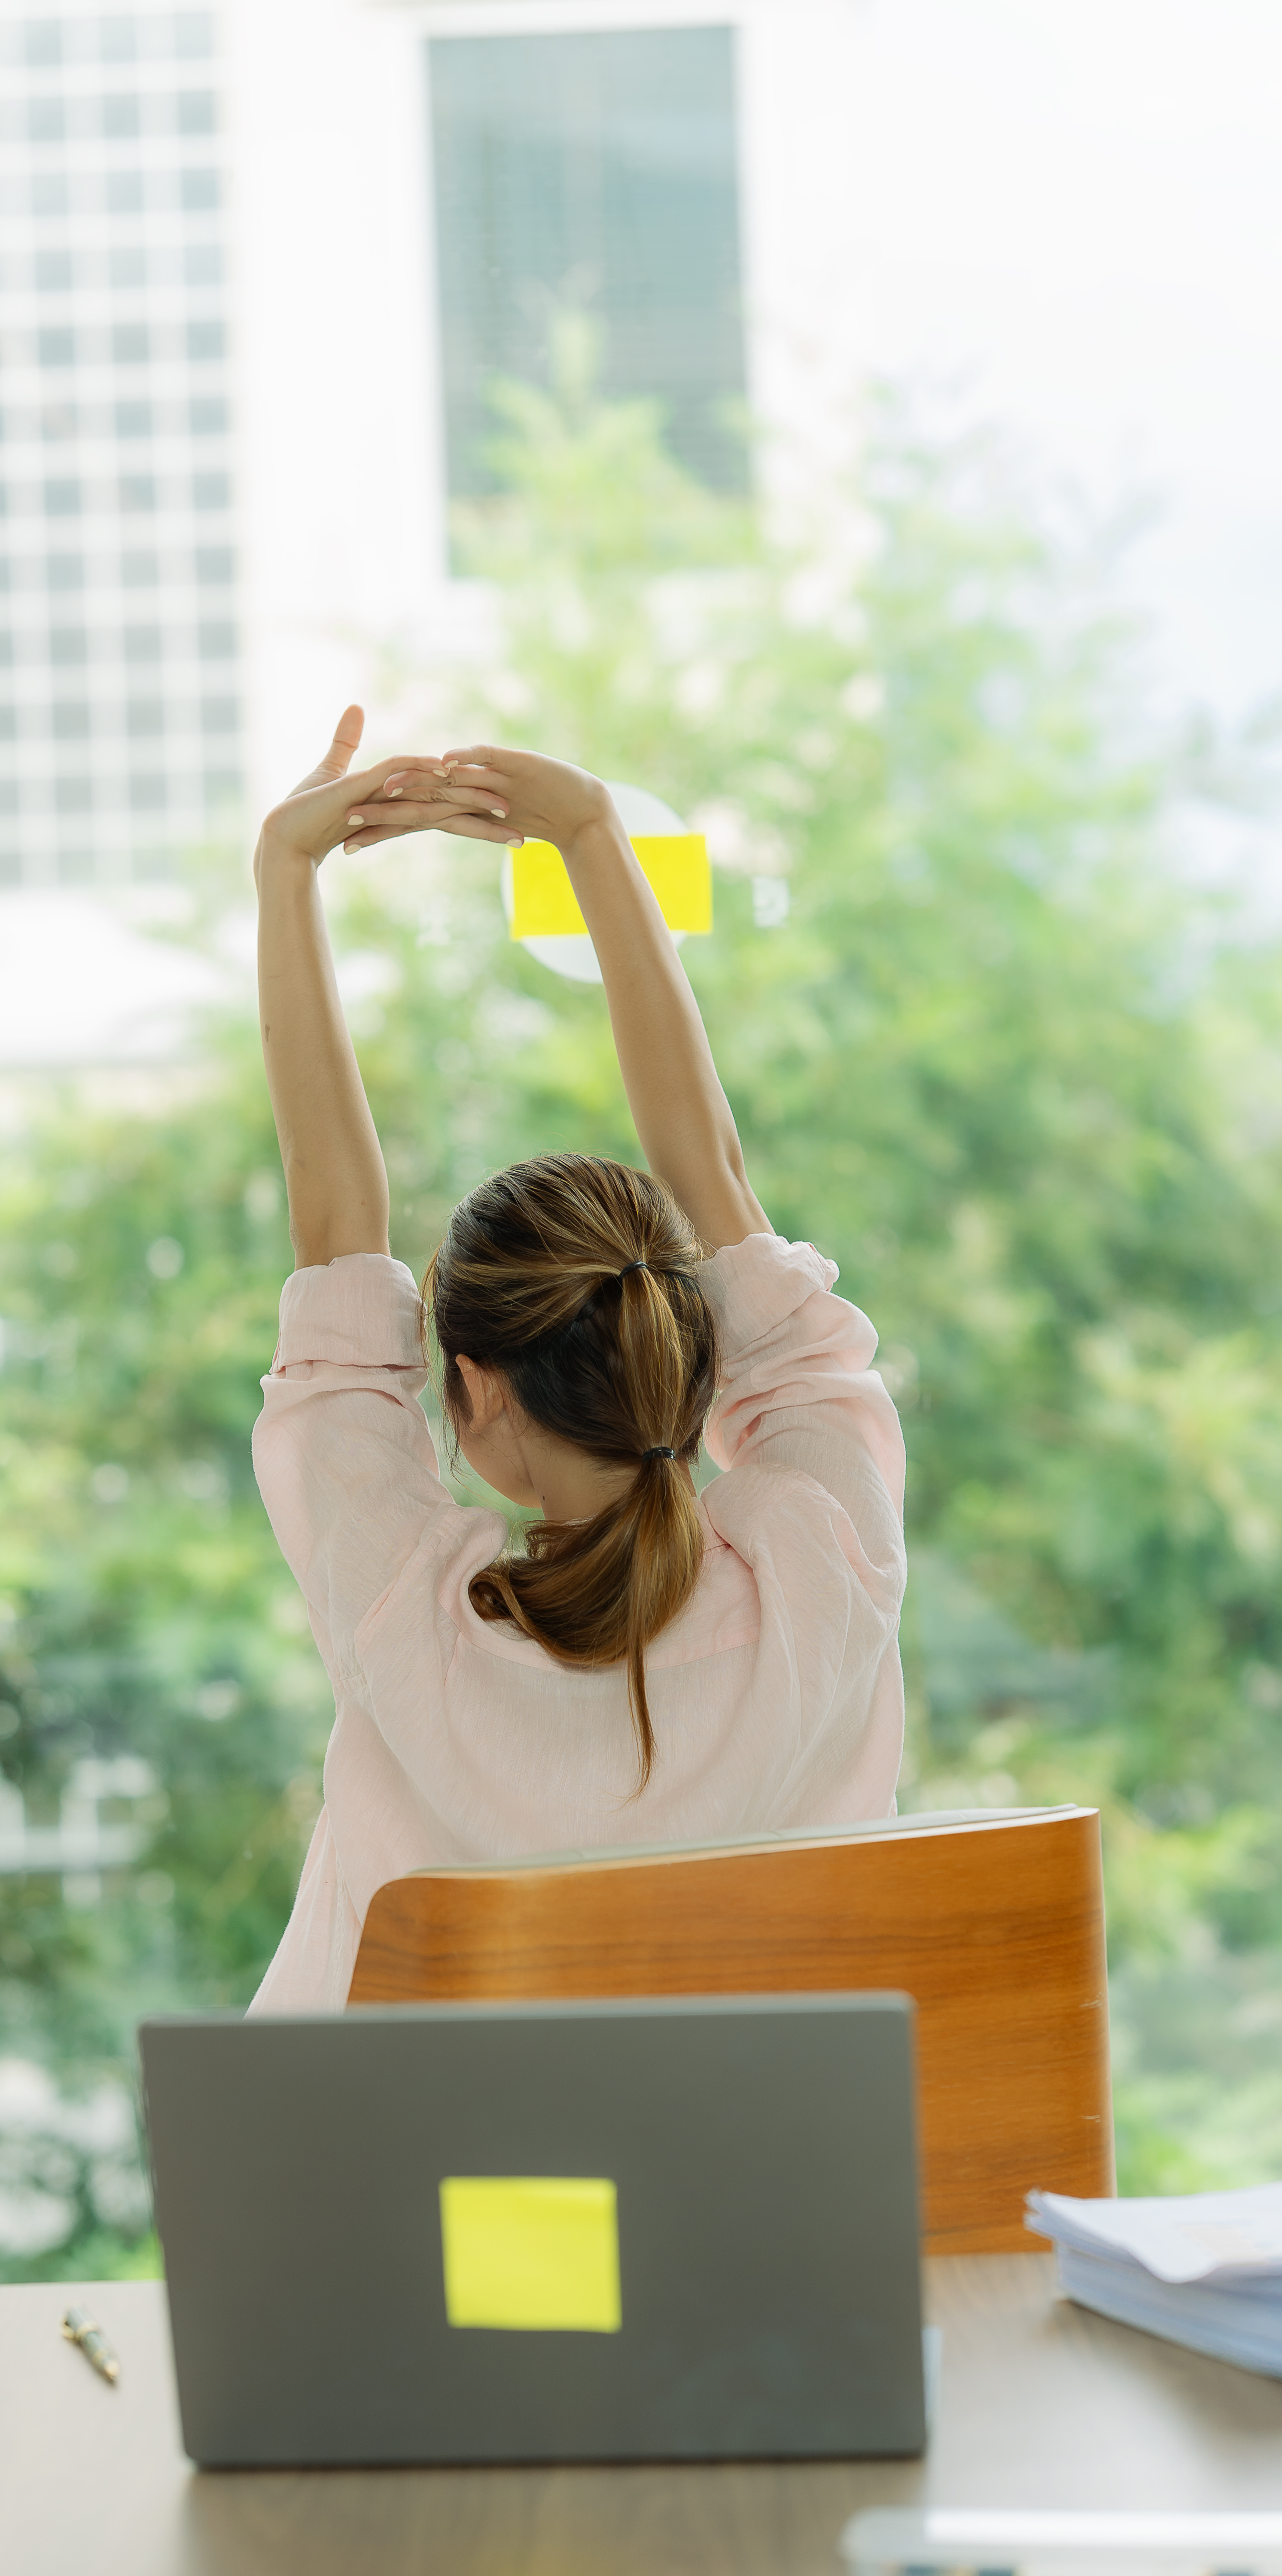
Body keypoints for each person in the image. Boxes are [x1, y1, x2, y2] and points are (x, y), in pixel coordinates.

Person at [247, 708, 907, 2013]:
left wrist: (287, 868)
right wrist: (594, 833)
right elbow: (713, 1178)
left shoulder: (403, 1608)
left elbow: (335, 1224)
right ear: (687, 1341)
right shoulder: (824, 1565)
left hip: (423, 2204)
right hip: (750, 2205)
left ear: (473, 1387)